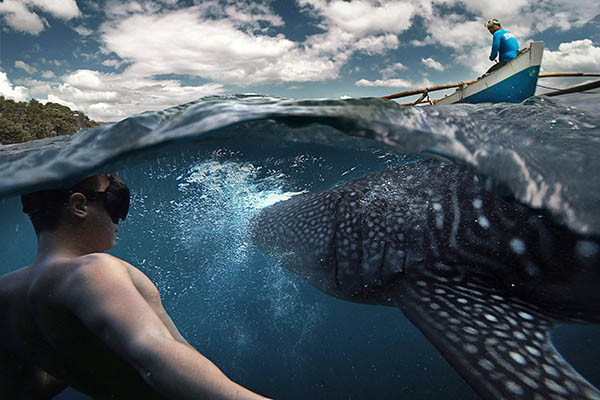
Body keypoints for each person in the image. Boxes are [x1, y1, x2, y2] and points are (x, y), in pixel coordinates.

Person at [0, 173, 270, 399]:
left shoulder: (7, 292)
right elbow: (157, 354)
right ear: (79, 205)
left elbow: (23, 391)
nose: (121, 217)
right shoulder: (92, 270)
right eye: (115, 199)